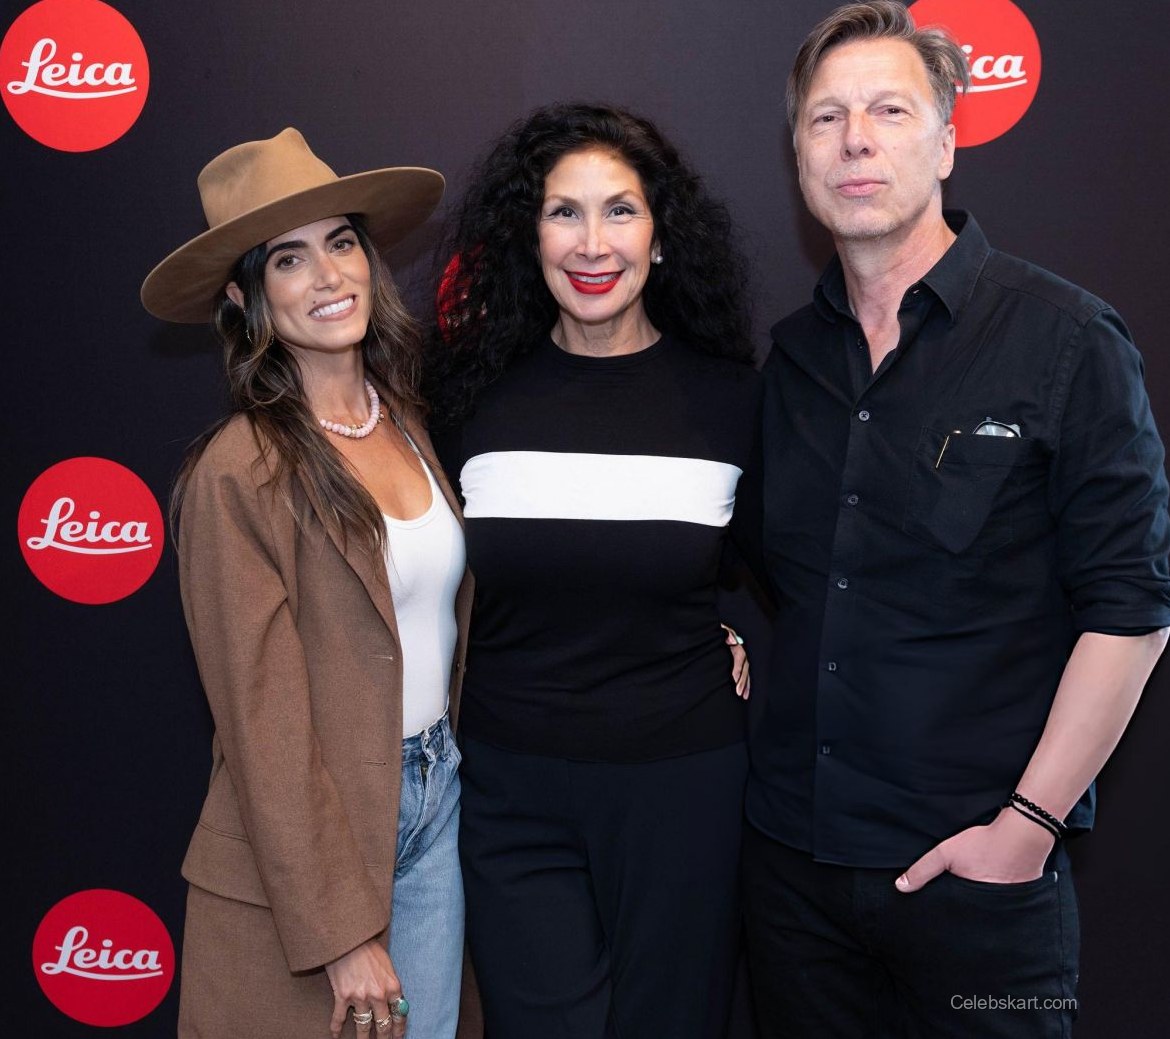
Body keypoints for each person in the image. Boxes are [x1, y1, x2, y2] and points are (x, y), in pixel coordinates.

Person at [742, 3, 1170, 1037]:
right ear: (799, 156)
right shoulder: (789, 363)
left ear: (945, 143)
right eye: (826, 117)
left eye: (889, 110)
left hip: (980, 886)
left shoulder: (1066, 338)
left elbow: (1131, 610)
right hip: (795, 884)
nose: (855, 139)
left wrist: (1026, 827)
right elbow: (765, 577)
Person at [424, 102, 759, 1038]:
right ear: (528, 236)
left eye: (620, 210)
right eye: (563, 212)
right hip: (509, 791)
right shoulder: (468, 399)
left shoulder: (732, 401)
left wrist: (729, 633)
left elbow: (796, 575)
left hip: (683, 788)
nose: (592, 242)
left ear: (661, 235)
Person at [140, 128, 477, 1039]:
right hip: (309, 844)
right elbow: (262, 723)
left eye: (342, 242)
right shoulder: (238, 471)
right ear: (245, 298)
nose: (329, 275)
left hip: (437, 802)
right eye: (289, 258)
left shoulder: (407, 422)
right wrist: (341, 930)